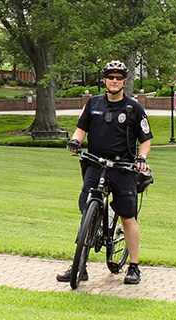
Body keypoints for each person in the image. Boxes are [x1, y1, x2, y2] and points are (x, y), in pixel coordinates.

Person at [56, 60, 153, 285]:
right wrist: (74, 141)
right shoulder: (93, 104)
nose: (114, 81)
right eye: (111, 77)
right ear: (104, 80)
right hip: (95, 164)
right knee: (86, 210)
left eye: (119, 78)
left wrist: (141, 158)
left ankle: (134, 267)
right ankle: (80, 266)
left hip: (122, 168)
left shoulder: (133, 108)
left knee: (128, 218)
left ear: (125, 82)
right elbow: (81, 129)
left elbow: (146, 140)